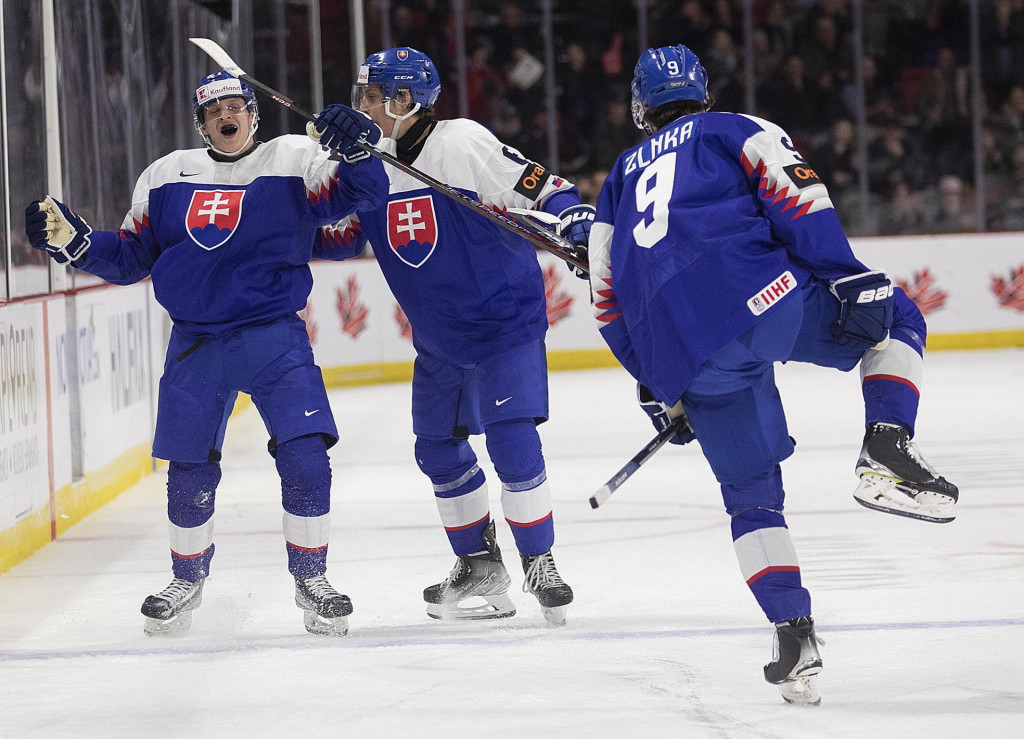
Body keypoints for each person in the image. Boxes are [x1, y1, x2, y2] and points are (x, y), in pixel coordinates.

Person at [586, 45, 959, 705]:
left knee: (751, 496)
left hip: (683, 353)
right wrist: (842, 278)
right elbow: (798, 198)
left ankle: (794, 637)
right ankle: (886, 443)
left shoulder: (617, 178)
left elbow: (607, 303)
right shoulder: (735, 128)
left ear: (641, 106)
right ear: (701, 90)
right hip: (760, 296)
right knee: (898, 314)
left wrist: (658, 384)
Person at [24, 71, 388, 637]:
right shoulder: (166, 175)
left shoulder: (294, 157)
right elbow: (128, 258)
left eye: (236, 105)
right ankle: (186, 580)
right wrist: (76, 242)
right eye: (215, 108)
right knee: (190, 469)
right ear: (202, 123)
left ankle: (312, 578)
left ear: (253, 114)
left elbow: (359, 202)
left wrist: (360, 150)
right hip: (198, 341)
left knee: (306, 455)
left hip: (273, 336)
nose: (227, 114)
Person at [312, 48, 593, 626]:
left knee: (511, 437)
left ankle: (540, 560)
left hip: (504, 322)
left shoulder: (461, 141)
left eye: (372, 96)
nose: (363, 106)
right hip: (439, 338)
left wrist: (573, 216)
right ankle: (479, 563)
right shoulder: (367, 165)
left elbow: (542, 184)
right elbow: (333, 234)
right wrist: (333, 162)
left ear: (404, 100)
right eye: (360, 96)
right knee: (435, 448)